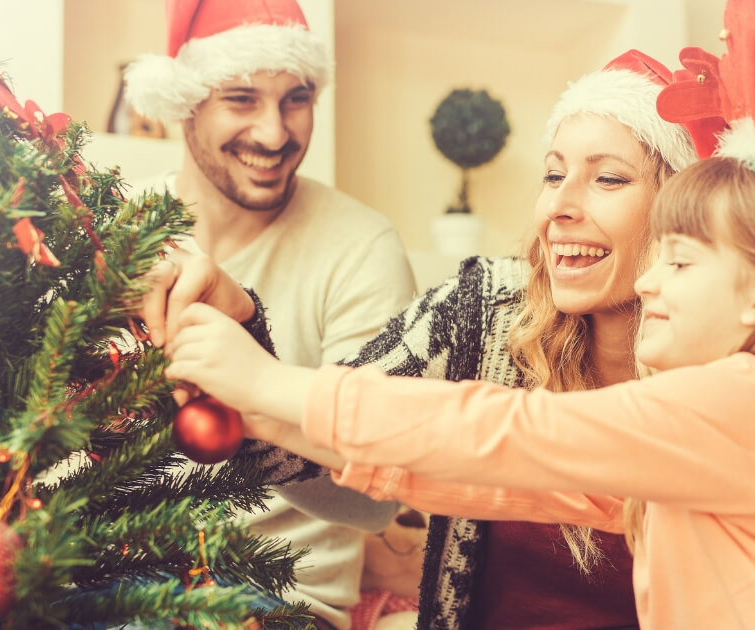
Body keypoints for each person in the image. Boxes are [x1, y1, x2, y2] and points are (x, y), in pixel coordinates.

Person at [163, 146, 755, 628]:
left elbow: (516, 431)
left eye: (679, 262)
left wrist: (273, 382)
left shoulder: (753, 401)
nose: (648, 285)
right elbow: (503, 485)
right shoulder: (733, 437)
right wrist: (265, 416)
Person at [143, 48, 698, 628]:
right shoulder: (483, 307)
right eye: (554, 174)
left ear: (687, 216)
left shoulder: (731, 391)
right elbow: (384, 453)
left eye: (608, 178)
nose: (558, 206)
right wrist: (244, 346)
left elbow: (503, 443)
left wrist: (260, 380)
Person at [123, 1, 417, 628]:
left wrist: (248, 381)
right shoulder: (122, 232)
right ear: (187, 103)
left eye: (296, 98)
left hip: (277, 597)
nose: (275, 133)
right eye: (241, 98)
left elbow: (378, 500)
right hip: (103, 575)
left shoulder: (361, 248)